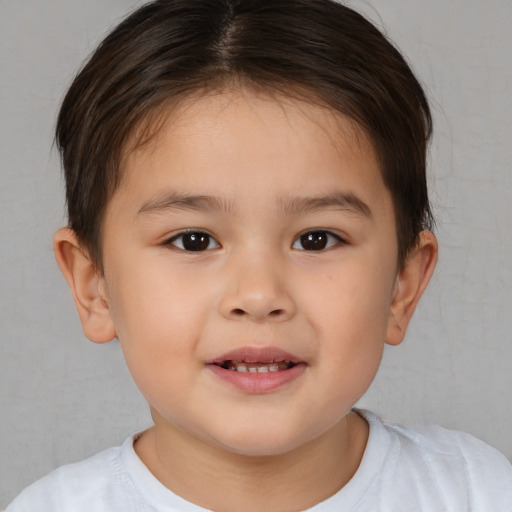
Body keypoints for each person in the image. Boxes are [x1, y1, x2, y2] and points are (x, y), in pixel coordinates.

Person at [6, 0, 512, 510]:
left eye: (317, 239)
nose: (258, 295)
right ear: (94, 286)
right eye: (193, 240)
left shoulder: (476, 492)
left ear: (403, 283)